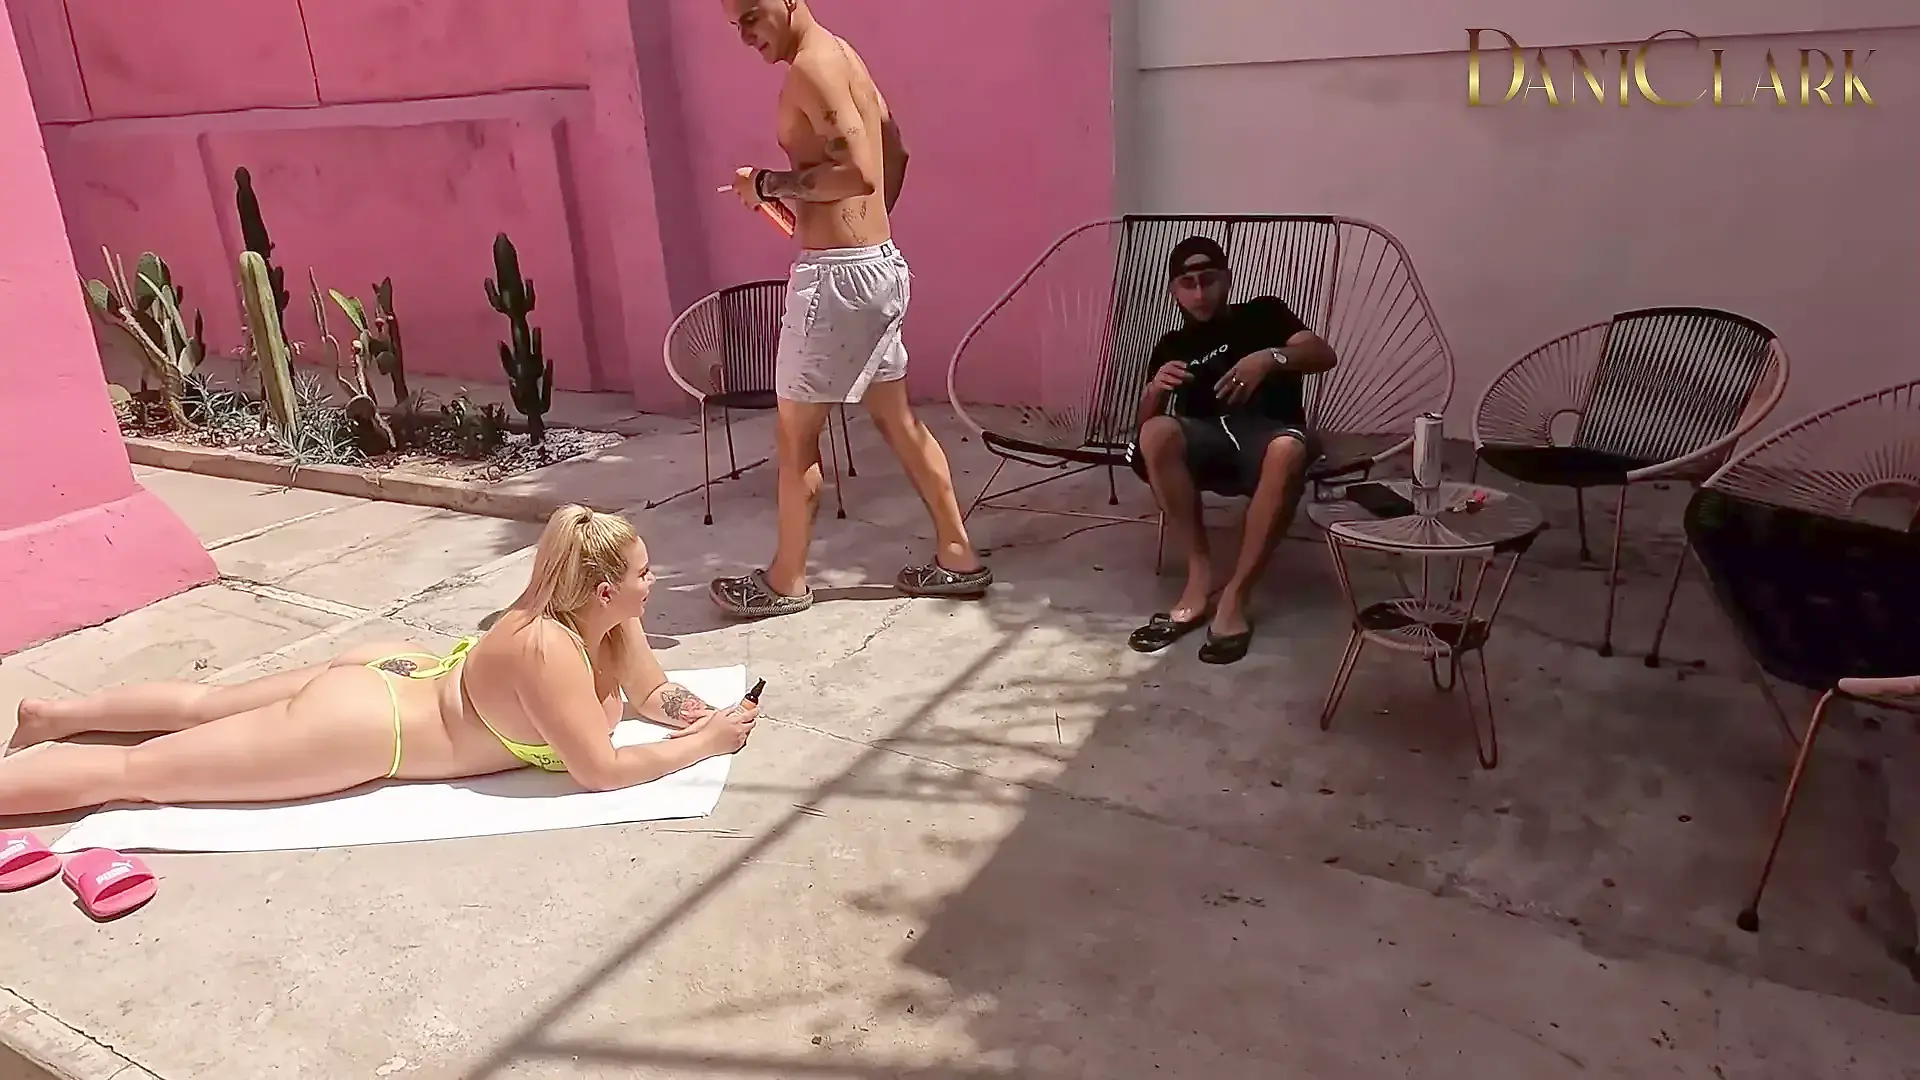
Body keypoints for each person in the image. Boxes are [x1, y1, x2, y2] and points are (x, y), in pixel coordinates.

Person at [0, 507, 756, 817]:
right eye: (644, 573)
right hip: (368, 727)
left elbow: (651, 692)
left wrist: (707, 715)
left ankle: (54, 716)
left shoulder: (605, 620)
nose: (655, 582)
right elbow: (600, 771)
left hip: (401, 673)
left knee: (205, 707)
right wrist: (704, 746)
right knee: (132, 776)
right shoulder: (548, 648)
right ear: (604, 588)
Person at [710, 0, 990, 619]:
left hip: (837, 279)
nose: (746, 36)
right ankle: (958, 555)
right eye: (735, 24)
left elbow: (859, 172)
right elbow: (896, 152)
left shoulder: (812, 68)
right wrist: (867, 233)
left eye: (752, 16)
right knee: (897, 420)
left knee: (796, 436)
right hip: (873, 265)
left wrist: (767, 184)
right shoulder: (844, 55)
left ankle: (786, 579)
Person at [1124, 236, 1339, 665]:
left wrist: (1270, 358)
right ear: (1174, 291)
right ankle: (1198, 580)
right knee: (1157, 433)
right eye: (1187, 284)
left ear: (1226, 279)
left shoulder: (1263, 314)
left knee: (1286, 450)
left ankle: (1235, 596)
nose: (1199, 294)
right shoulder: (1172, 345)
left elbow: (1323, 354)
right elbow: (1144, 425)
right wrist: (1154, 390)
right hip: (1207, 441)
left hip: (1269, 434)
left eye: (1208, 280)